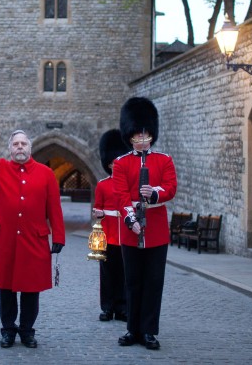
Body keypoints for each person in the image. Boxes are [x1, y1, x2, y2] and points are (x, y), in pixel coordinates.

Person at [0, 122, 65, 349]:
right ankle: (8, 330)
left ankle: (27, 331)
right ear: (10, 148)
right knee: (5, 288)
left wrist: (59, 237)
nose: (20, 147)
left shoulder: (46, 174)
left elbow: (54, 208)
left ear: (30, 148)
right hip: (5, 239)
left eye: (23, 144)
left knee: (31, 290)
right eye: (15, 144)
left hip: (33, 240)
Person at [112, 97, 177, 350]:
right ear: (129, 137)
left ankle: (149, 331)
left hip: (157, 231)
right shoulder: (121, 163)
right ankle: (132, 329)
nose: (141, 139)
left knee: (153, 282)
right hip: (131, 232)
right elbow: (119, 195)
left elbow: (171, 187)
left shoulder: (164, 160)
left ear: (151, 134)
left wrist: (156, 193)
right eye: (137, 135)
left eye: (145, 134)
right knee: (133, 282)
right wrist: (131, 219)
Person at [91, 129, 128, 322]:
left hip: (125, 235)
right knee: (107, 275)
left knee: (124, 274)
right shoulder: (103, 185)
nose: (115, 165)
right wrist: (99, 213)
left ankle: (122, 308)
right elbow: (97, 208)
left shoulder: (129, 185)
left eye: (118, 162)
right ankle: (107, 308)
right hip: (107, 235)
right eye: (112, 163)